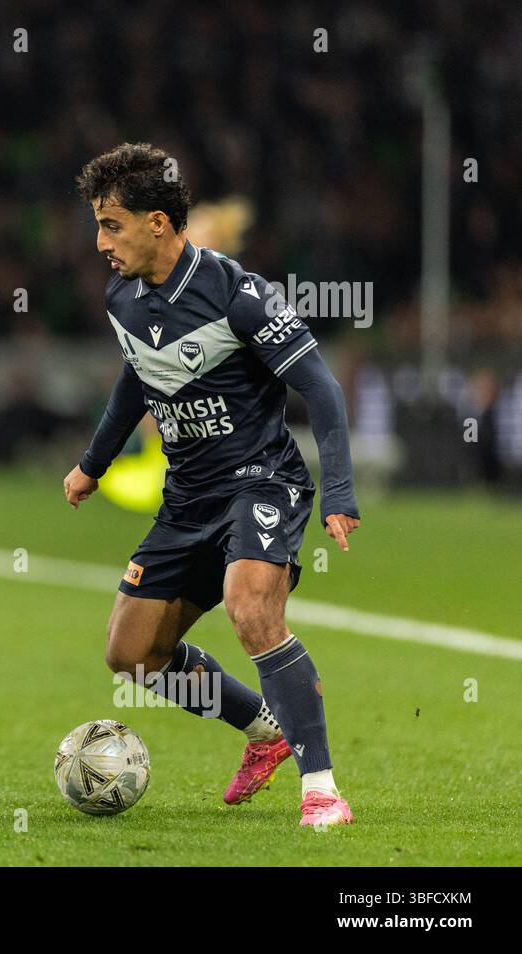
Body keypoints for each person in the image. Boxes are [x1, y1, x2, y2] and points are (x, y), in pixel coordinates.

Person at [63, 143, 360, 829]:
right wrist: (93, 463)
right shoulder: (121, 297)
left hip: (263, 481)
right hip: (188, 499)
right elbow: (137, 376)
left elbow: (320, 387)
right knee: (131, 655)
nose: (100, 241)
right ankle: (266, 732)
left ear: (159, 222)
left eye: (112, 224)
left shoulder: (239, 295)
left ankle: (322, 787)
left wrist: (339, 493)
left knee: (250, 608)